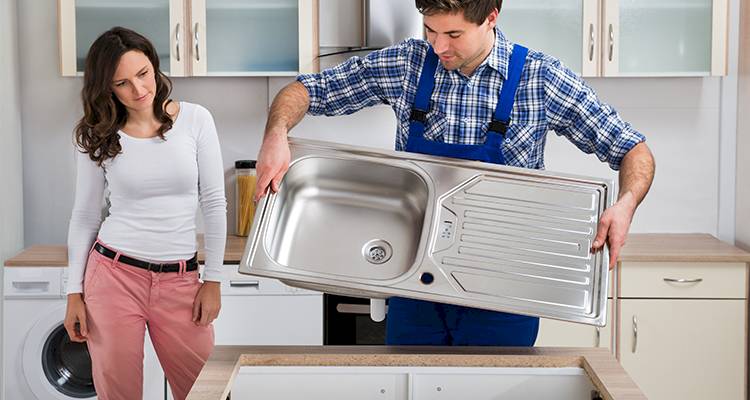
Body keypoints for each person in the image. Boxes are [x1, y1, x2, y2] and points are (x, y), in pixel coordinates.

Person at [254, 0, 655, 346]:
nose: (439, 46)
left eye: (454, 34)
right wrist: (276, 133)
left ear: (492, 17)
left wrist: (626, 204)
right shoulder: (407, 64)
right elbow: (306, 91)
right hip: (416, 289)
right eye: (430, 30)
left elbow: (632, 149)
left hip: (504, 293)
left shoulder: (541, 79)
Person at [64, 27, 227, 399]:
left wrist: (214, 280)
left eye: (143, 74)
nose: (138, 90)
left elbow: (215, 202)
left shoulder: (196, 120)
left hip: (181, 282)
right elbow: (85, 215)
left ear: (154, 66)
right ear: (107, 89)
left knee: (207, 392)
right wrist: (74, 291)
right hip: (113, 278)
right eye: (122, 83)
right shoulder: (95, 134)